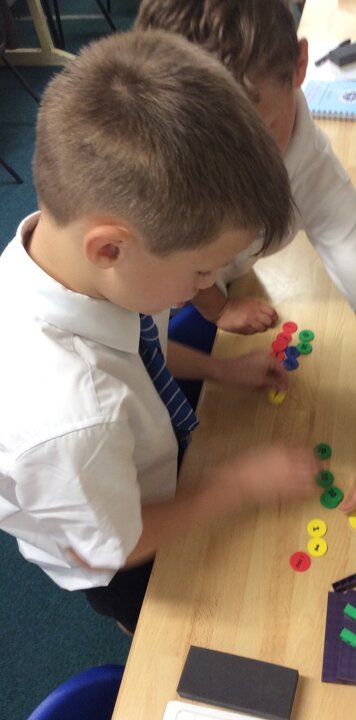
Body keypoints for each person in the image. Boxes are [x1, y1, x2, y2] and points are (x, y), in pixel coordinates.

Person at [0, 30, 319, 634]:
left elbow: (133, 349)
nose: (208, 286)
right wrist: (237, 486)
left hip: (126, 467)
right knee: (166, 626)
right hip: (122, 553)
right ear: (109, 248)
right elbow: (110, 547)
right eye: (200, 271)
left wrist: (222, 368)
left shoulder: (85, 269)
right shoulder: (74, 420)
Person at [135, 0, 356, 531]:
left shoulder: (311, 171)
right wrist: (214, 307)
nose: (236, 172)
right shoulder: (148, 174)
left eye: (260, 132)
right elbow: (136, 344)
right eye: (209, 150)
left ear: (299, 65)